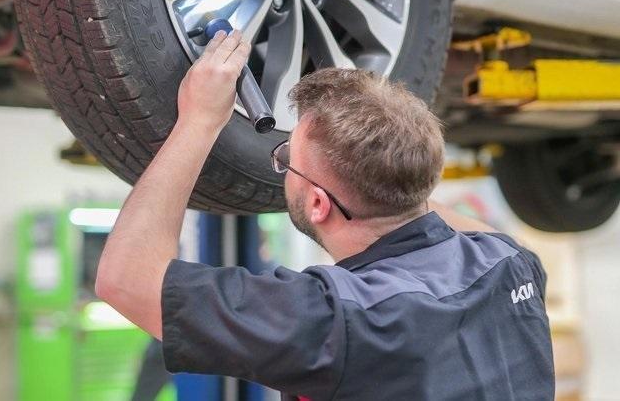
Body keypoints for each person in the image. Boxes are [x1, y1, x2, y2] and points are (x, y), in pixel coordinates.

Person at [95, 30, 554, 400]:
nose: (282, 165)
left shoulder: (337, 320)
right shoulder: (509, 264)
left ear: (318, 203)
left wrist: (198, 120)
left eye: (285, 159)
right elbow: (442, 215)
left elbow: (126, 280)